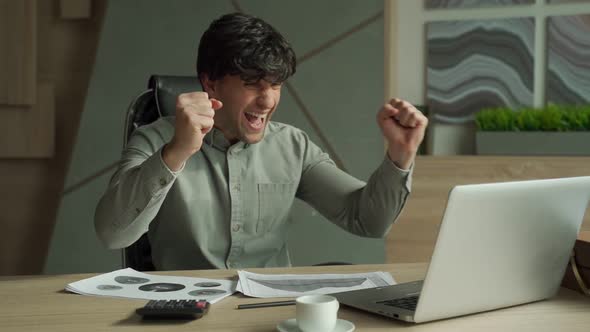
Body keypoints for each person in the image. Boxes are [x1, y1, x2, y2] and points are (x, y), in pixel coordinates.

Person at [94, 12, 428, 270]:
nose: (268, 101)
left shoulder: (292, 146)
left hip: (271, 315)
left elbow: (367, 220)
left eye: (276, 85)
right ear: (211, 83)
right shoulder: (155, 139)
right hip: (187, 314)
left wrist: (400, 155)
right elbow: (113, 234)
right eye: (253, 84)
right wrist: (176, 152)